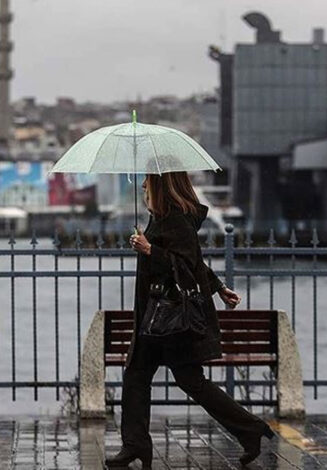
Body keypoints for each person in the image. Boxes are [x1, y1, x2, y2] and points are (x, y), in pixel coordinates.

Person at [105, 172, 274, 468]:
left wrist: (149, 250)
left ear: (162, 183)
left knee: (190, 382)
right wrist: (219, 287)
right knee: (136, 376)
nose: (144, 185)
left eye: (148, 180)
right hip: (155, 318)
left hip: (170, 319)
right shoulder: (161, 217)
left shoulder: (176, 220)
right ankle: (135, 445)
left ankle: (250, 429)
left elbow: (184, 265)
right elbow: (194, 261)